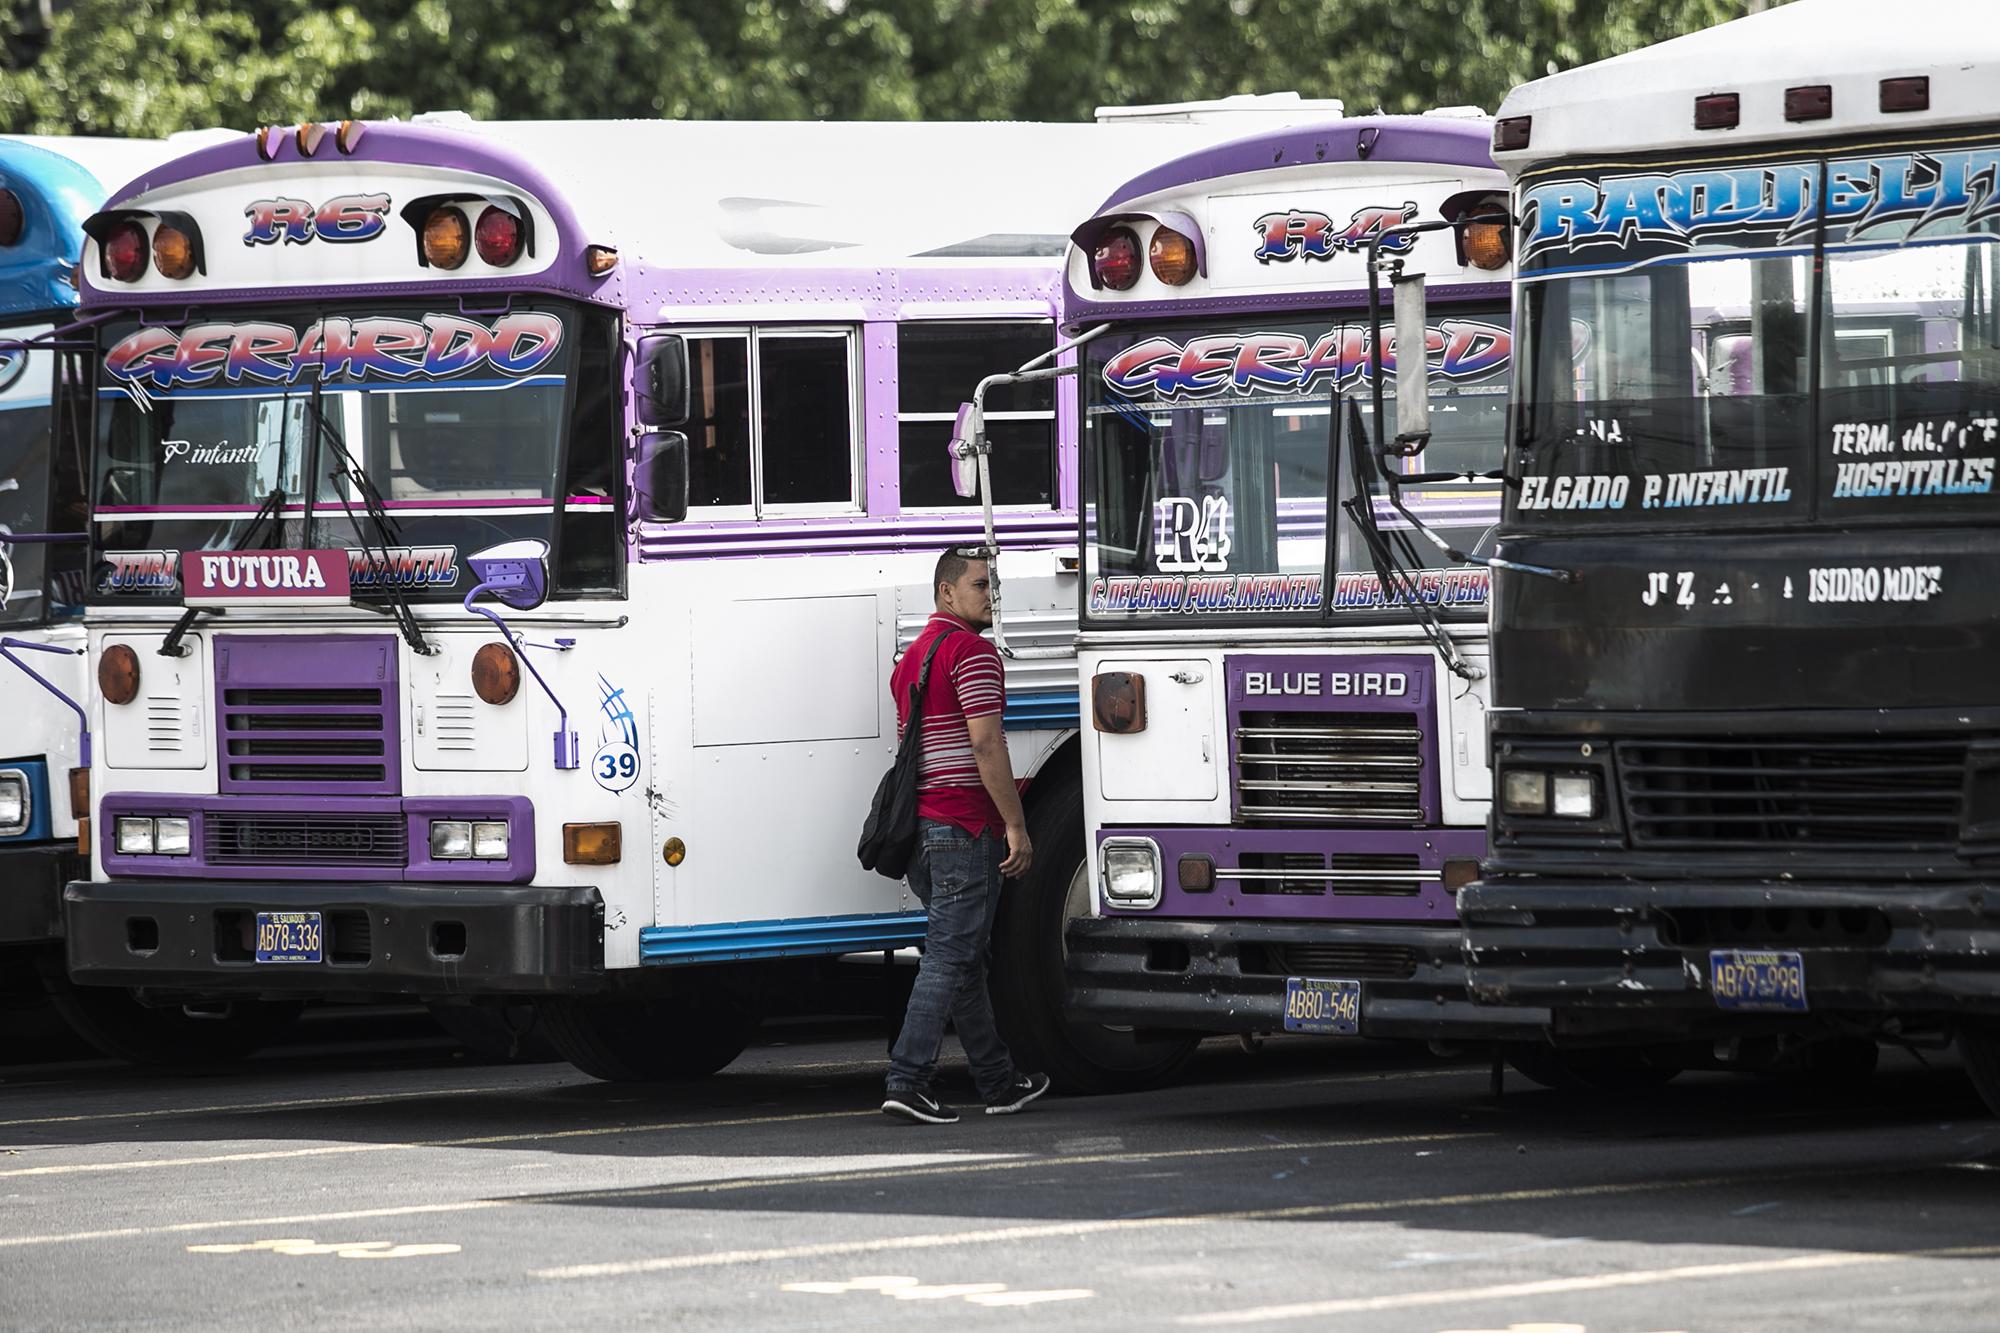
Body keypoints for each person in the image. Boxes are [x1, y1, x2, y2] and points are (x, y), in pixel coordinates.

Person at [881, 548, 1051, 1125]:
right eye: (980, 585)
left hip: (924, 835)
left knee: (964, 961)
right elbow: (986, 745)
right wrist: (1016, 825)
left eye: (993, 585)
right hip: (964, 827)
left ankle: (998, 1082)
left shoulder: (915, 658)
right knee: (950, 958)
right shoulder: (972, 653)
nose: (990, 595)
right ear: (946, 593)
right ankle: (908, 1077)